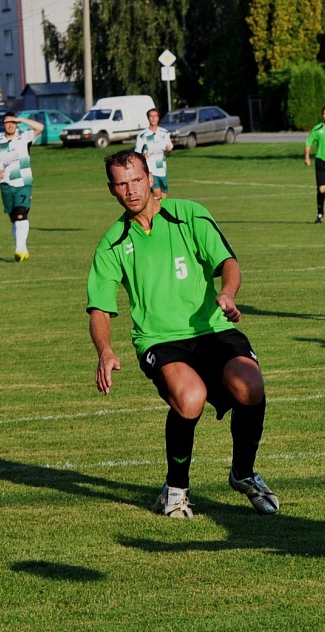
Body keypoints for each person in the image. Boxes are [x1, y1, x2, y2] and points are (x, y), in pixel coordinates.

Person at [86, 149, 279, 519]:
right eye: (121, 184)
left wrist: (228, 294)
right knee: (190, 398)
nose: (131, 190)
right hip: (159, 340)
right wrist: (105, 351)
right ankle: (175, 490)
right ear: (111, 189)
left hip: (213, 328)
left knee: (250, 385)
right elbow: (99, 307)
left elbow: (228, 262)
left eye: (136, 180)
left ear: (150, 178)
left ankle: (243, 472)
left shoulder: (189, 214)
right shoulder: (112, 243)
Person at [0, 111, 44, 262]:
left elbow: (40, 127)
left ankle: (20, 249)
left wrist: (21, 119)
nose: (10, 125)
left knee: (21, 214)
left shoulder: (24, 137)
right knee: (13, 218)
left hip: (23, 183)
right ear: (3, 124)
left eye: (13, 122)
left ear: (17, 124)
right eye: (7, 122)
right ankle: (22, 248)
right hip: (6, 184)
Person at [134, 108, 173, 199]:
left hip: (161, 167)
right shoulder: (143, 135)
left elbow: (169, 147)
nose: (153, 118)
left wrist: (169, 149)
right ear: (148, 118)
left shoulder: (164, 132)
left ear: (158, 118)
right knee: (156, 192)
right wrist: (143, 156)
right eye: (151, 116)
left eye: (155, 116)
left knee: (164, 193)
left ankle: (160, 207)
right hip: (150, 167)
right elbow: (137, 152)